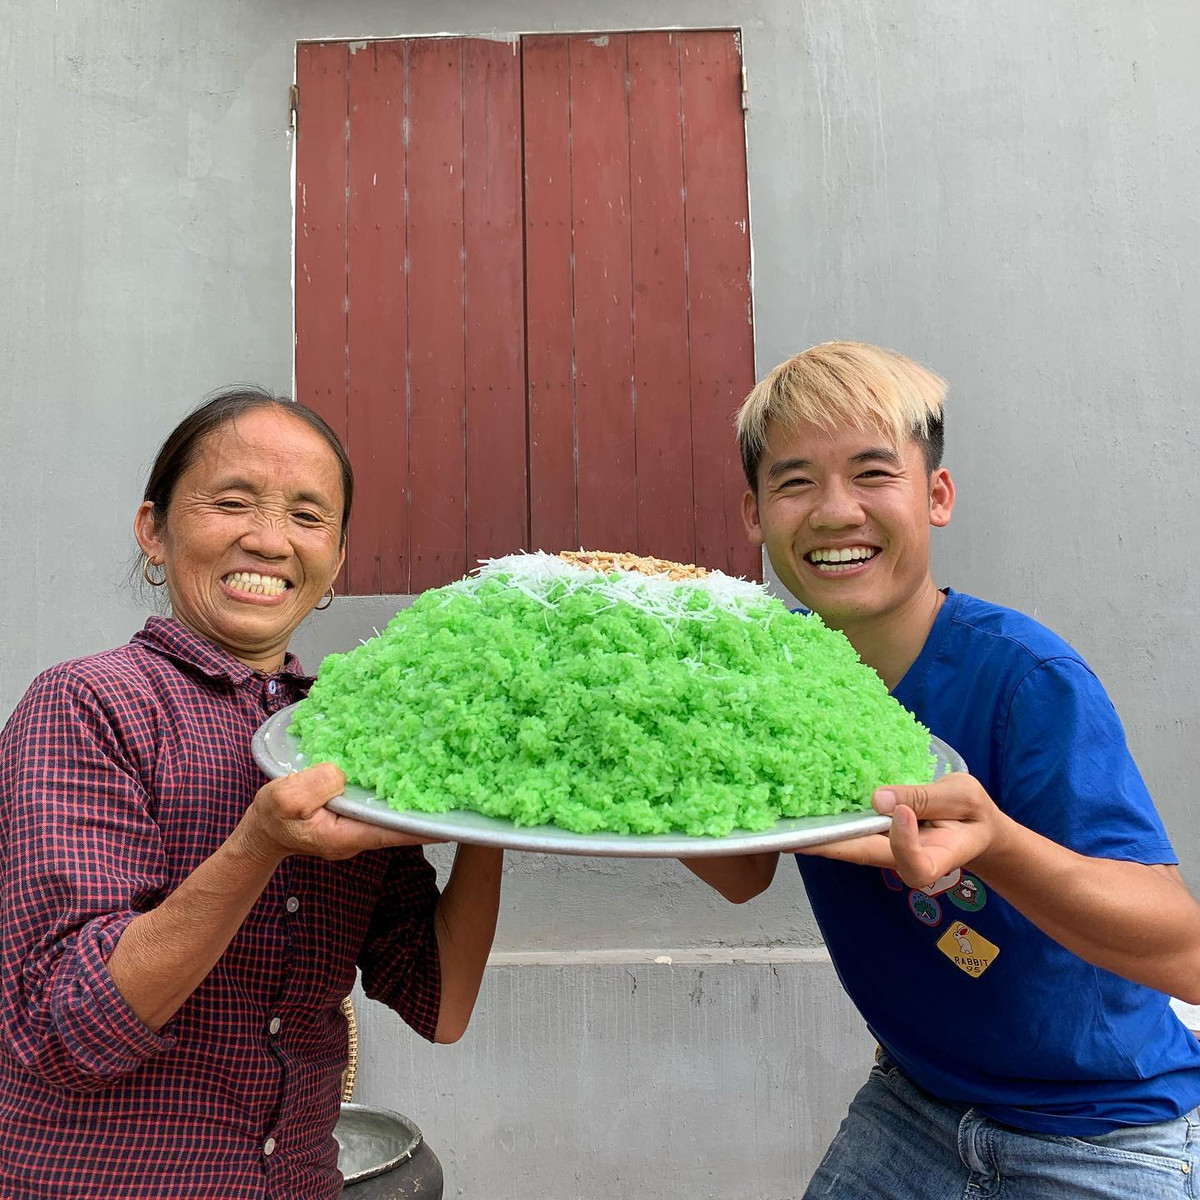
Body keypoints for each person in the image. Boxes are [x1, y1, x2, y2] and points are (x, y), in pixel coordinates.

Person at [684, 342, 1200, 1198]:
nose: (834, 511)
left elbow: (1184, 952)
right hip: (915, 1105)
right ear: (754, 513)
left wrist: (994, 845)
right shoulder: (770, 683)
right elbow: (741, 871)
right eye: (796, 481)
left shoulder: (1027, 682)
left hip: (1106, 1128)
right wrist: (637, 788)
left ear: (937, 495)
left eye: (872, 473)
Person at [0, 388, 504, 1199]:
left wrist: (493, 807)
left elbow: (437, 1003)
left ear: (336, 561)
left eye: (309, 517)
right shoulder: (88, 704)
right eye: (231, 502)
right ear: (152, 532)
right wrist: (258, 845)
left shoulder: (351, 733)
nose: (269, 540)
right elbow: (72, 1028)